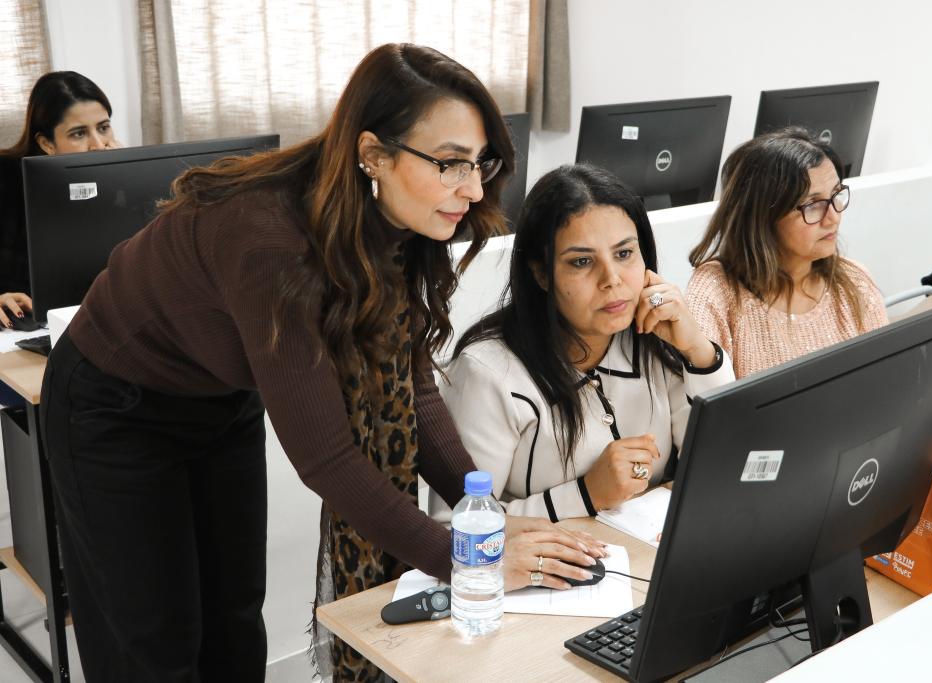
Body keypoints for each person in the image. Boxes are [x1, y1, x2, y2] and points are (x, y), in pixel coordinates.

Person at [40, 44, 601, 683]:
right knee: (151, 646)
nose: (472, 189)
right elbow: (327, 458)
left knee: (232, 623)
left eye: (480, 163)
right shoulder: (271, 242)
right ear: (373, 155)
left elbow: (414, 392)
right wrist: (466, 557)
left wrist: (487, 521)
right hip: (113, 405)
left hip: (217, 399)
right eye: (450, 164)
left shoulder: (394, 222)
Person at [432, 164, 734, 525]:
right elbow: (456, 527)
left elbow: (723, 465)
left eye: (624, 254)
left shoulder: (653, 338)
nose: (612, 279)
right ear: (541, 274)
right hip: (547, 562)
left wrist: (699, 353)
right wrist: (585, 494)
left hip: (643, 553)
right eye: (582, 262)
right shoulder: (487, 373)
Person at [685, 127, 888, 379]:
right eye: (813, 205)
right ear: (762, 216)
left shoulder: (854, 280)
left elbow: (885, 380)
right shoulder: (714, 293)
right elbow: (708, 395)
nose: (833, 217)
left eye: (836, 194)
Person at [0, 70, 119, 327]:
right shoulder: (5, 179)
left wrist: (120, 177)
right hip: (20, 329)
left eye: (103, 128)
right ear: (47, 143)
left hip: (91, 323)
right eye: (79, 133)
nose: (99, 145)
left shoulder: (122, 186)